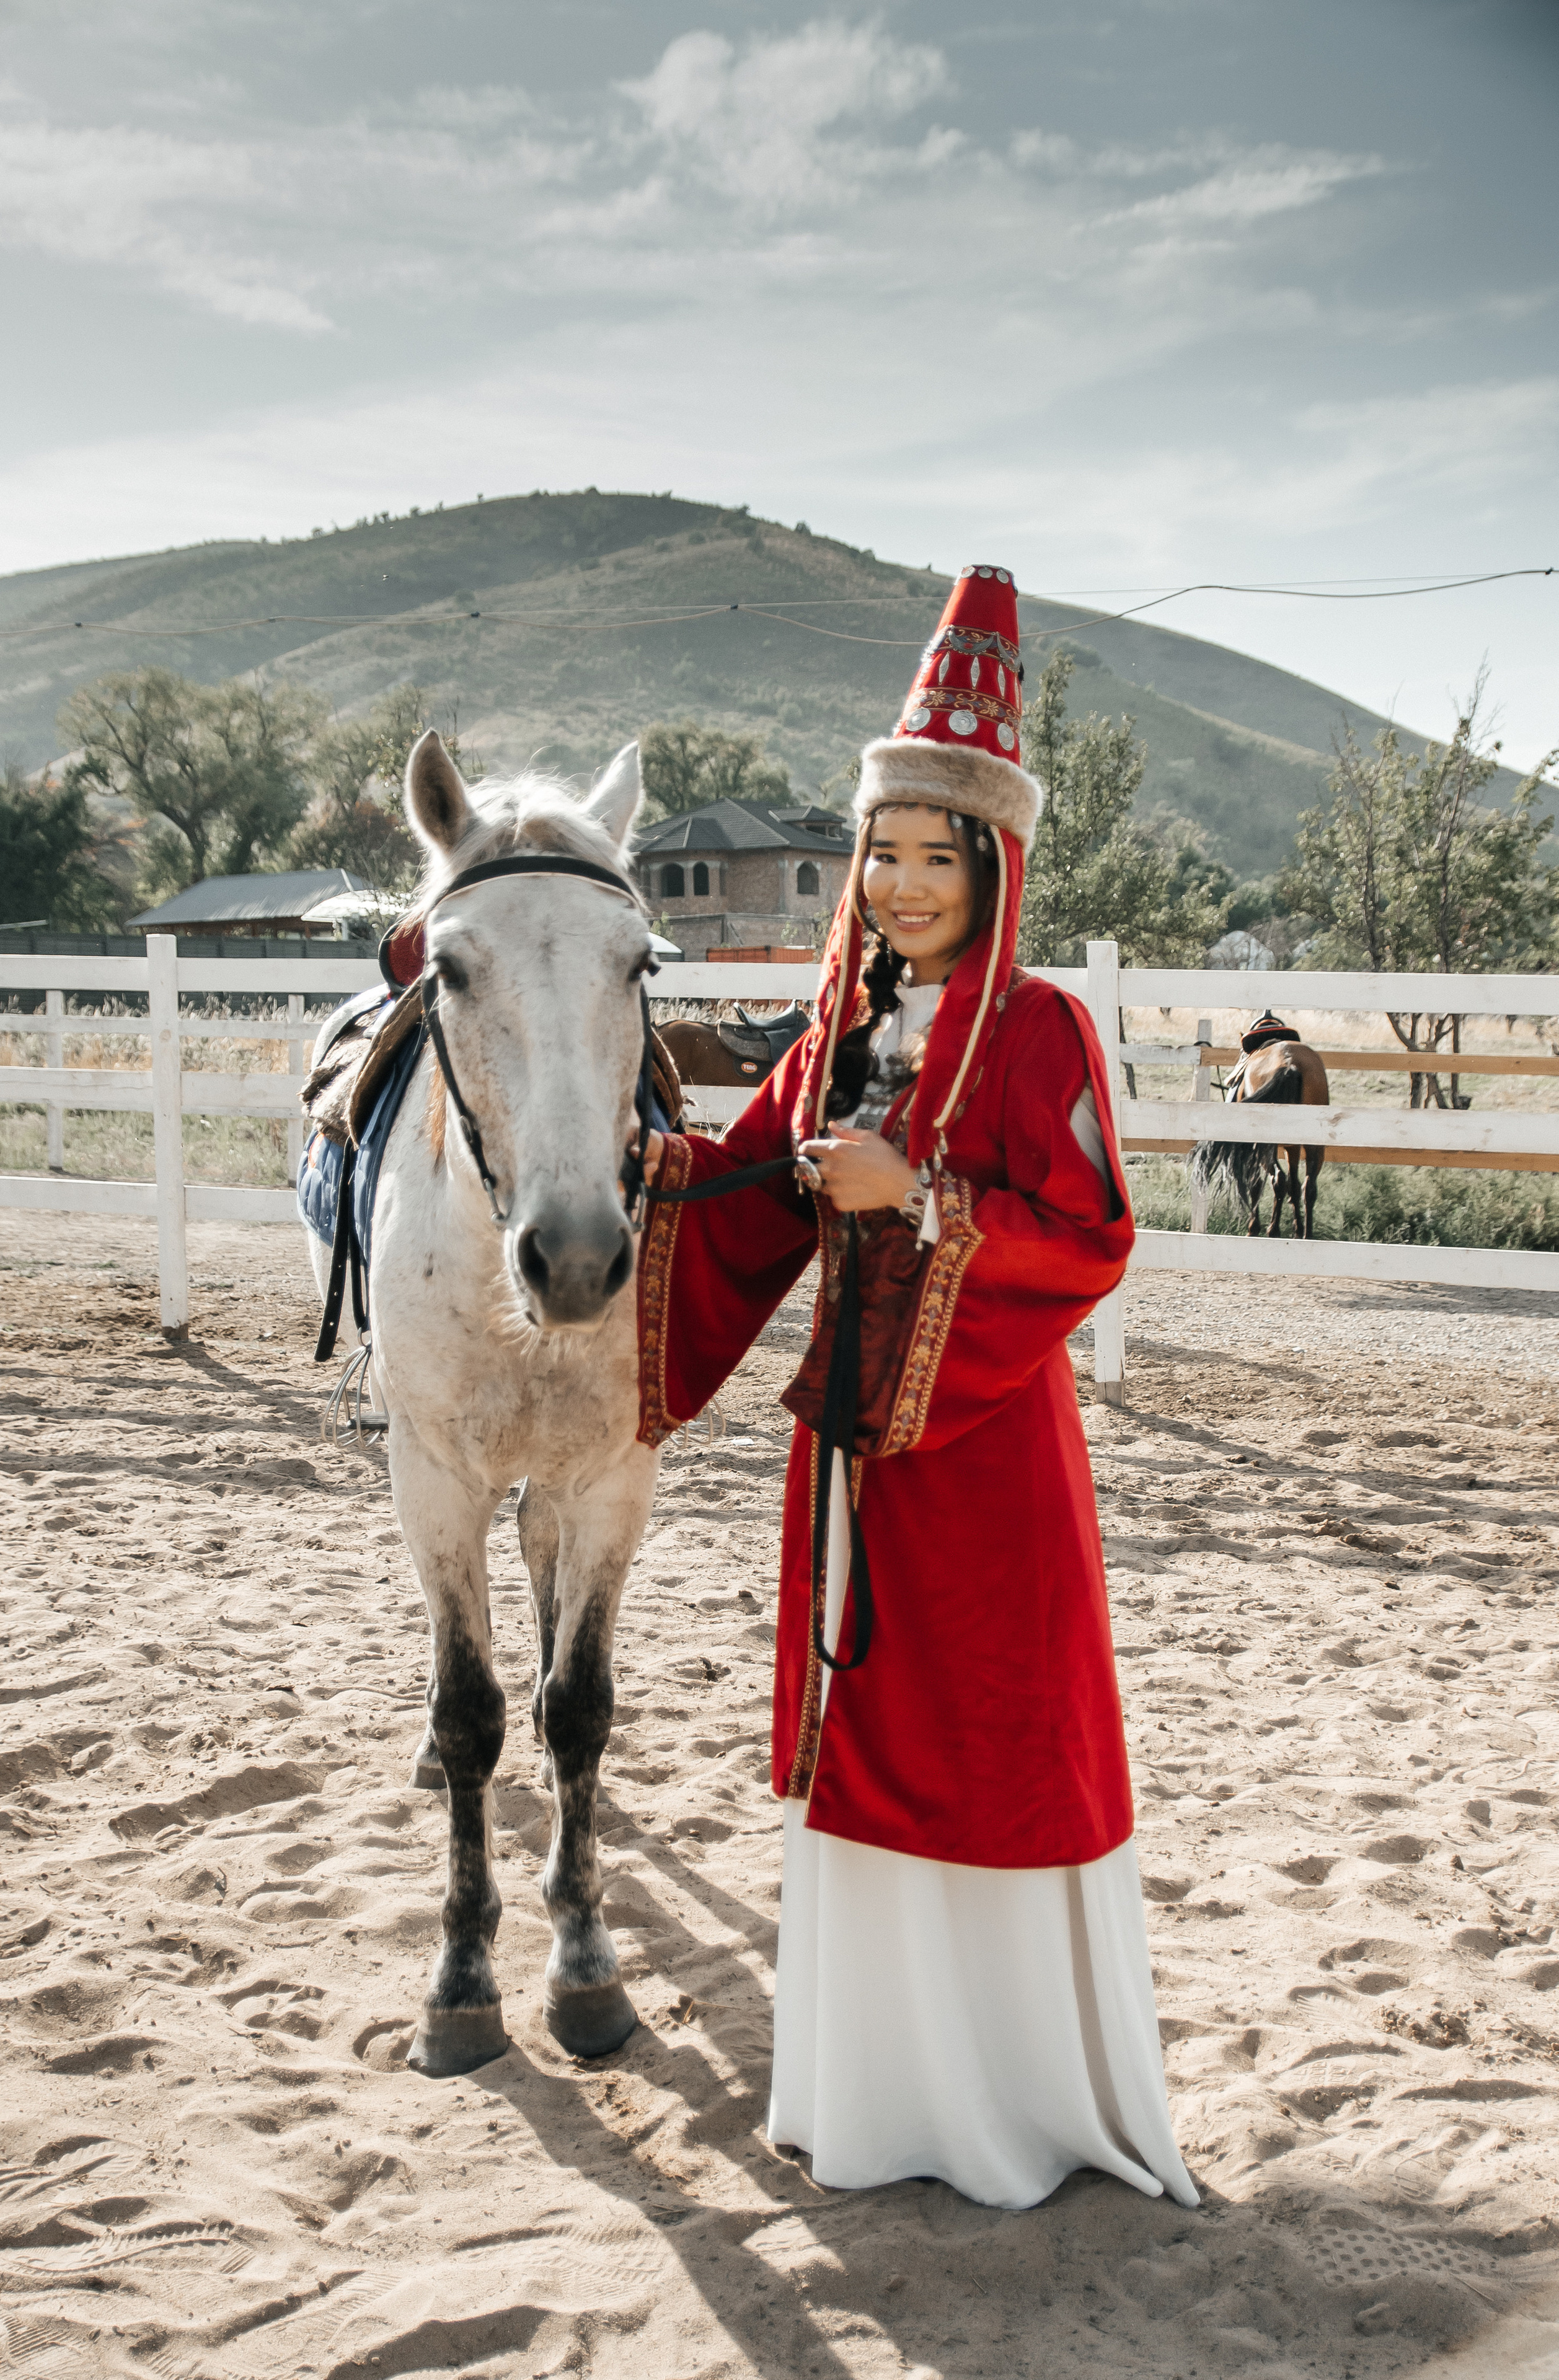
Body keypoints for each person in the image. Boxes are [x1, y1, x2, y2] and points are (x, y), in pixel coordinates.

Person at [637, 564, 1196, 2213]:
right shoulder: (836, 1034)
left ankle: (1013, 2109)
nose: (893, 884)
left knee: (1002, 1744)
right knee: (875, 1741)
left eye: (929, 855)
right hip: (856, 1476)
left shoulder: (1046, 1037)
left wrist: (923, 1201)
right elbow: (736, 1201)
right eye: (877, 851)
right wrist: (615, 1185)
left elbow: (1091, 1235)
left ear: (994, 863)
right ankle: (884, 2104)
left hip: (994, 1459)